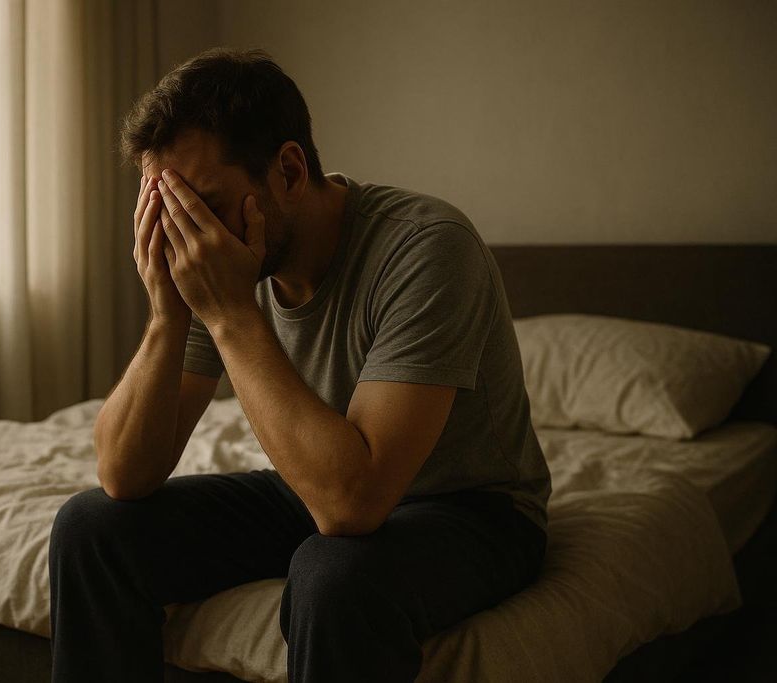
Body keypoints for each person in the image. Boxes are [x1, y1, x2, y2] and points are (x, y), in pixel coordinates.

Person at [48, 47, 551, 682]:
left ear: (288, 170)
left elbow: (351, 506)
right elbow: (124, 473)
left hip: (472, 510)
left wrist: (231, 315)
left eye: (203, 202)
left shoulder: (427, 247)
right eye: (167, 209)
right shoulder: (220, 259)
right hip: (315, 480)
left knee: (335, 573)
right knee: (91, 528)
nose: (187, 233)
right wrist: (167, 314)